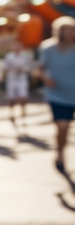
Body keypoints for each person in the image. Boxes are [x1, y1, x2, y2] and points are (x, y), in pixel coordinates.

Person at [38, 15, 75, 175]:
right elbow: (39, 69)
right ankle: (60, 155)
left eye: (72, 29)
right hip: (57, 94)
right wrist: (46, 78)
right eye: (67, 29)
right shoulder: (48, 48)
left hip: (73, 92)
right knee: (62, 125)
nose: (70, 32)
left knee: (67, 128)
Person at [3, 39, 32, 124]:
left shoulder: (25, 56)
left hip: (22, 79)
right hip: (12, 80)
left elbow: (29, 67)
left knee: (23, 96)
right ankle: (11, 113)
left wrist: (23, 69)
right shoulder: (9, 57)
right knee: (12, 98)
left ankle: (23, 111)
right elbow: (5, 68)